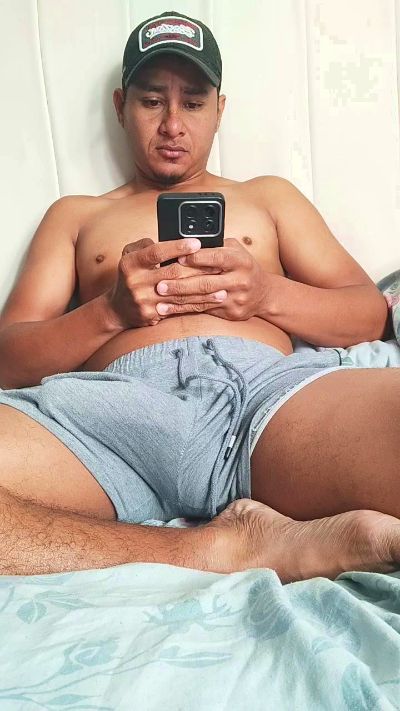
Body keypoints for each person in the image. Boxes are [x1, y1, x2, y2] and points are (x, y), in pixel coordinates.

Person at [0, 10, 399, 582]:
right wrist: (109, 313)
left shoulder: (269, 197)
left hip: (269, 400)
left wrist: (265, 295)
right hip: (110, 416)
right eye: (151, 101)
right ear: (121, 106)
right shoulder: (75, 216)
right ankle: (217, 550)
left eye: (192, 102)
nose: (172, 125)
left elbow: (368, 314)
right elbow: (9, 360)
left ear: (219, 111)